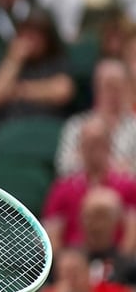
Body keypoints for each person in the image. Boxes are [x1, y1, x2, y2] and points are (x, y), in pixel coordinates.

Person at [42, 115, 136, 256]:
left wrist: (120, 265)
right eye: (88, 144)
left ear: (109, 145)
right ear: (79, 147)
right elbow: (52, 236)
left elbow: (132, 230)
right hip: (75, 259)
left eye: (98, 143)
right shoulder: (62, 189)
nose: (93, 149)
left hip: (117, 260)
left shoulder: (128, 186)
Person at [55, 59, 136, 176]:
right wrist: (117, 165)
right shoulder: (77, 124)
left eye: (118, 86)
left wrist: (86, 159)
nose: (114, 92)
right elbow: (64, 167)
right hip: (84, 190)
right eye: (108, 85)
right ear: (96, 87)